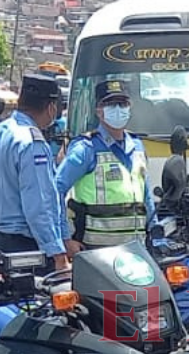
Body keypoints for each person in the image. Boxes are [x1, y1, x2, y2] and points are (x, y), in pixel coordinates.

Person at [0, 73, 71, 274]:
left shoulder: (0, 131)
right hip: (28, 247)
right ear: (52, 107)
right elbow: (39, 204)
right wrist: (57, 253)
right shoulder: (32, 143)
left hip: (0, 240)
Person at [55, 79, 155, 251]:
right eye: (110, 104)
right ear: (99, 111)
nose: (117, 109)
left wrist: (155, 229)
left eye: (122, 103)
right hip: (96, 251)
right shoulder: (86, 148)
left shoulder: (137, 146)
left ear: (129, 107)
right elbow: (56, 190)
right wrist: (65, 238)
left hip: (136, 248)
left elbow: (146, 195)